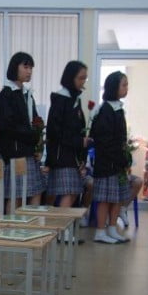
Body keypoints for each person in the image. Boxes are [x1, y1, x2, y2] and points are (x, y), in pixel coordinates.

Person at [0, 52, 43, 208]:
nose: (29, 71)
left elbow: (35, 121)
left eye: (31, 68)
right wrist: (31, 136)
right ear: (14, 67)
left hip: (28, 151)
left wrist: (38, 145)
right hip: (15, 152)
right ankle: (12, 224)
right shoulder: (7, 94)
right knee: (16, 195)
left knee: (35, 192)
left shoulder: (27, 94)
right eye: (26, 67)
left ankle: (33, 223)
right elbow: (7, 126)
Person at [89, 71, 130, 244]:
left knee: (117, 198)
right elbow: (104, 141)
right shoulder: (105, 109)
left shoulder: (118, 108)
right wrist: (119, 158)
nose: (127, 88)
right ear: (114, 87)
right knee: (105, 199)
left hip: (117, 163)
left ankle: (112, 228)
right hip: (107, 163)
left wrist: (124, 158)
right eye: (124, 85)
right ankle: (100, 231)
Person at [46, 60, 90, 208]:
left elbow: (78, 128)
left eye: (85, 78)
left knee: (73, 192)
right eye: (80, 78)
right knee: (68, 193)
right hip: (62, 157)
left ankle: (64, 223)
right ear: (70, 77)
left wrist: (82, 155)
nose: (83, 82)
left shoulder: (75, 99)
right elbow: (55, 131)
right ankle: (61, 223)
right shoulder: (61, 99)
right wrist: (79, 142)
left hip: (72, 156)